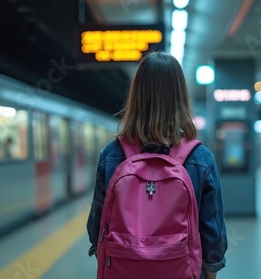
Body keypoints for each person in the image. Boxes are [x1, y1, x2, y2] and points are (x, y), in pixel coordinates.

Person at [86, 52, 227, 279]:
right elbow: (213, 235)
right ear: (181, 97)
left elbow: (96, 227)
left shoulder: (111, 155)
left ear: (136, 96)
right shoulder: (201, 159)